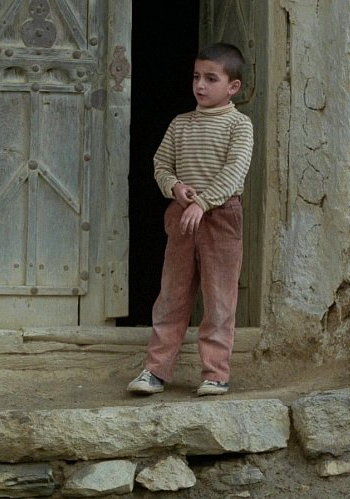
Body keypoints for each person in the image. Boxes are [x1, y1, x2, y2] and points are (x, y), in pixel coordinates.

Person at [128, 43, 254, 397]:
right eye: (197, 77)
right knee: (172, 295)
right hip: (182, 216)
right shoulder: (181, 124)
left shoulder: (239, 125)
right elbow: (161, 163)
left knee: (219, 299)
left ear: (233, 86)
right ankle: (155, 371)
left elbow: (234, 170)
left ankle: (215, 373)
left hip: (221, 217)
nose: (200, 85)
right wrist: (174, 186)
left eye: (211, 79)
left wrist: (203, 202)